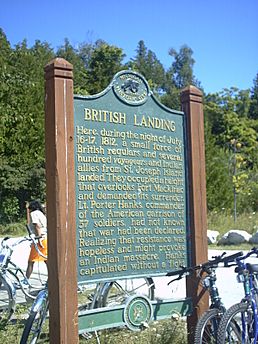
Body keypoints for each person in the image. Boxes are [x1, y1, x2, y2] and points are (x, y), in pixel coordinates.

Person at [24, 200, 48, 284]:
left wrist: (38, 239)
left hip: (40, 239)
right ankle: (51, 278)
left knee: (31, 261)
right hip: (45, 239)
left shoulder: (34, 213)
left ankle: (26, 281)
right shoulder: (41, 214)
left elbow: (37, 225)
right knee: (46, 260)